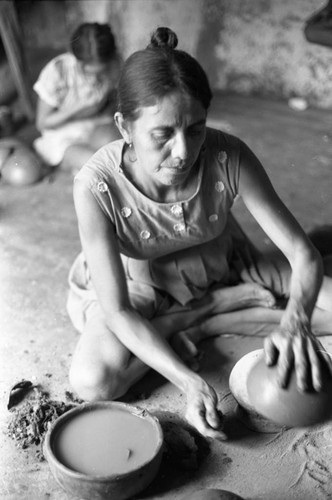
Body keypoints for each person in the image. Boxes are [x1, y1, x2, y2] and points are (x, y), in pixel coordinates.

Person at [66, 27, 332, 440]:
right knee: (93, 381)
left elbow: (303, 255)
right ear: (124, 127)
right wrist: (186, 380)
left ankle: (225, 310)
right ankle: (204, 317)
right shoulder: (94, 186)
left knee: (312, 302)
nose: (184, 152)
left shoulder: (227, 155)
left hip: (226, 261)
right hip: (141, 283)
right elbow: (118, 310)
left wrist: (296, 321)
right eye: (162, 134)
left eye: (195, 129)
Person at [33, 22, 121, 172]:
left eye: (100, 72)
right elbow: (42, 123)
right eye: (91, 73)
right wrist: (79, 106)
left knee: (117, 154)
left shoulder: (114, 64)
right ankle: (76, 167)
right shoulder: (58, 72)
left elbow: (115, 102)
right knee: (96, 165)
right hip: (63, 135)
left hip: (96, 124)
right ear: (78, 62)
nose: (95, 78)